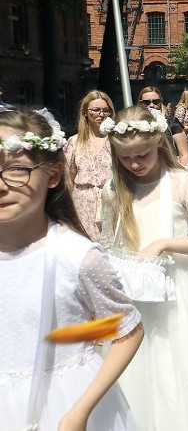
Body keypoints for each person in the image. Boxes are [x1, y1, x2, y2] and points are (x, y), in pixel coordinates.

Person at [0, 109, 143, 431]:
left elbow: (127, 330)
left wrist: (79, 412)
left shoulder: (76, 257)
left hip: (63, 403)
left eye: (17, 170)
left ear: (52, 175)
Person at [100, 105, 188, 430]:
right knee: (137, 372)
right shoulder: (115, 189)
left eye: (142, 154)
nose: (135, 164)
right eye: (126, 158)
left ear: (159, 142)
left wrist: (165, 244)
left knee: (177, 370)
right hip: (134, 293)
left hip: (178, 294)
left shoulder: (180, 182)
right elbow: (106, 246)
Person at [64, 90, 116, 240]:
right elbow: (69, 179)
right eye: (96, 110)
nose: (101, 114)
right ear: (85, 112)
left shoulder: (115, 140)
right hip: (82, 204)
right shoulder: (75, 142)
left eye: (106, 110)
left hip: (111, 200)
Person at [137, 86, 188, 165]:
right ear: (140, 103)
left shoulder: (172, 122)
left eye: (156, 102)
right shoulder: (134, 123)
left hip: (169, 166)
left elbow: (184, 154)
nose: (151, 105)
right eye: (146, 102)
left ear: (161, 101)